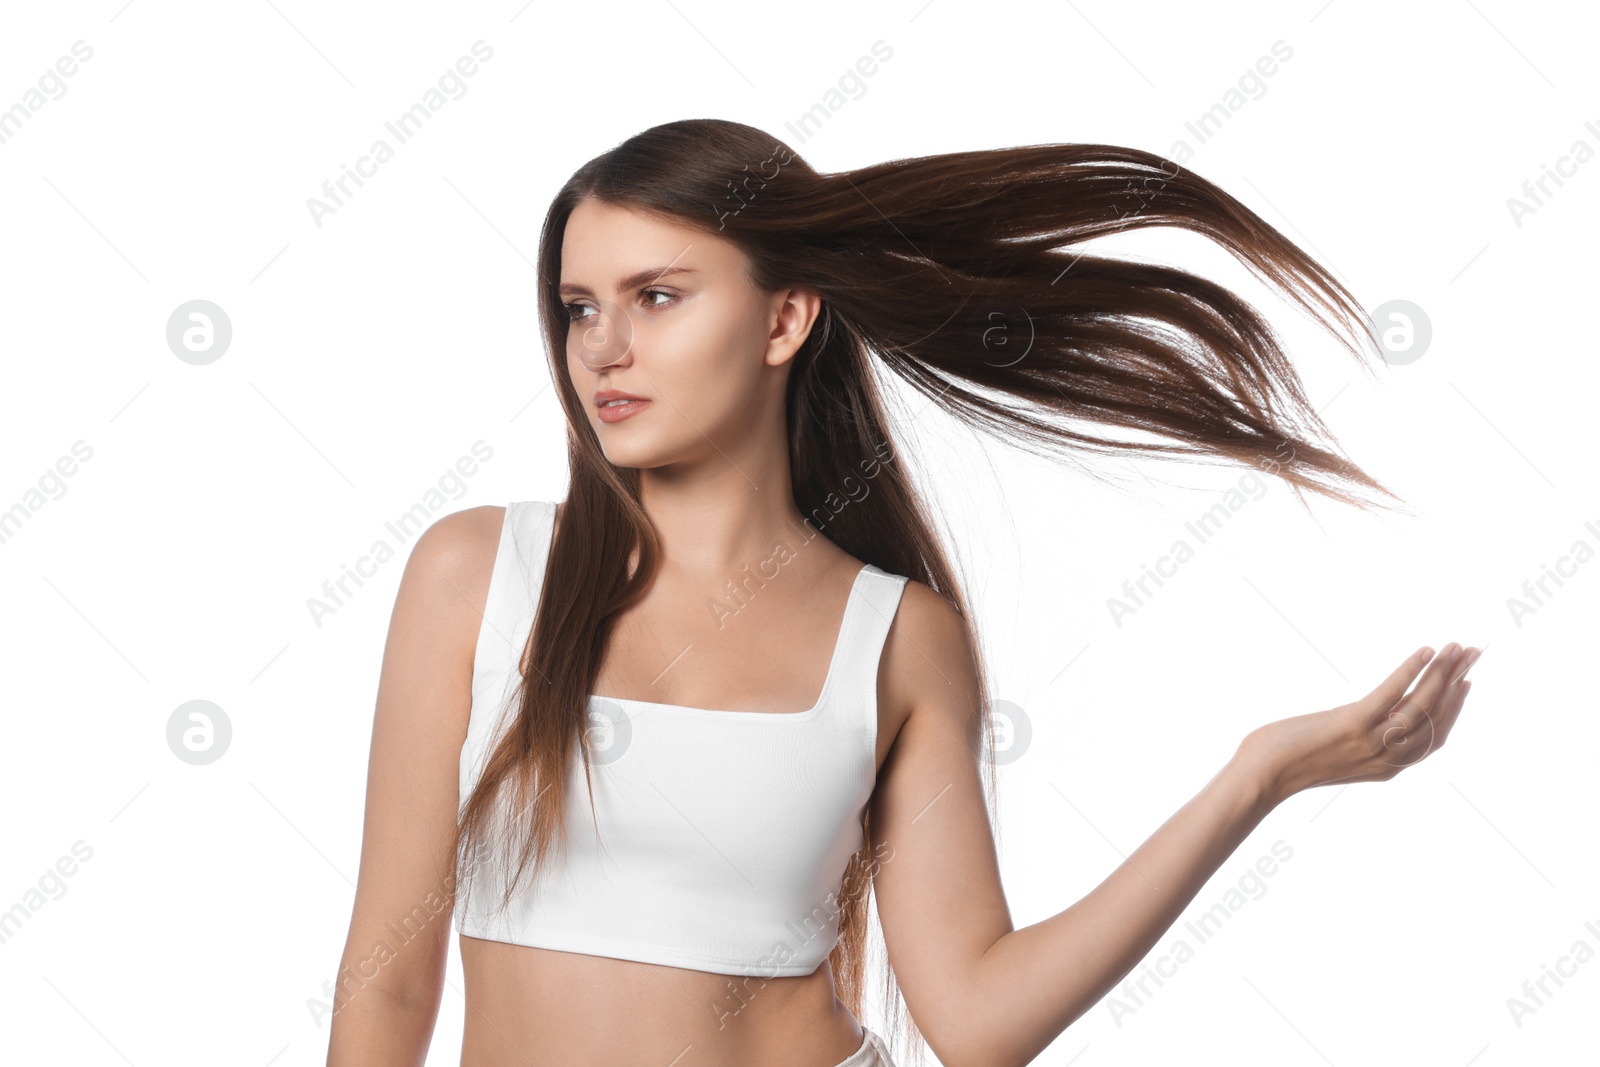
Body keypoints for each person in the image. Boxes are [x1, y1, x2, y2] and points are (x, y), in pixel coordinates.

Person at [326, 119, 1480, 1067]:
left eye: (658, 296)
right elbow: (383, 988)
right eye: (580, 306)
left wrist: (1256, 775)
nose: (603, 349)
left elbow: (973, 1017)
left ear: (785, 317)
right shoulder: (475, 573)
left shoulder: (895, 637)